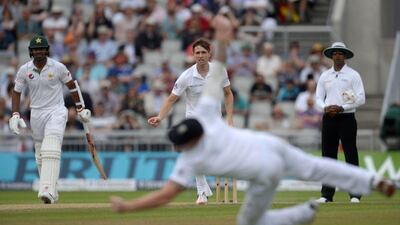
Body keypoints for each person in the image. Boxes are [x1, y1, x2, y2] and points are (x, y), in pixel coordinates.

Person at [111, 16, 396, 225]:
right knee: (318, 166)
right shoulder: (211, 120)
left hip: (263, 172)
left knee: (249, 222)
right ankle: (371, 180)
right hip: (273, 148)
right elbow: (219, 64)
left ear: (186, 143)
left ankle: (302, 214)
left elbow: (163, 196)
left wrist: (128, 208)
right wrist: (222, 37)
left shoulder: (191, 158)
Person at [147, 37, 234, 205]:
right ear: (193, 55)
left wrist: (230, 118)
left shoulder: (219, 70)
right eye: (197, 53)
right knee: (193, 152)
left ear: (210, 54)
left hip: (214, 121)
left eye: (203, 52)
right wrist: (159, 117)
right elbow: (171, 99)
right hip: (193, 121)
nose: (200, 56)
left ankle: (205, 188)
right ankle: (201, 192)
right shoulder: (186, 76)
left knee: (213, 156)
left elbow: (228, 94)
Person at [8, 35, 91, 204]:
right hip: (36, 114)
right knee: (40, 154)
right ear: (31, 51)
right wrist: (15, 114)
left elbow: (72, 86)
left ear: (47, 50)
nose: (39, 51)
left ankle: (46, 190)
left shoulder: (58, 67)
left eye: (42, 48)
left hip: (56, 111)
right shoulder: (25, 69)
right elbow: (16, 91)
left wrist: (80, 108)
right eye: (36, 49)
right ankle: (52, 190)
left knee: (51, 147)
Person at [315, 42, 366, 203]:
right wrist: (325, 108)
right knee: (328, 156)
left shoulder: (353, 75)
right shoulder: (325, 75)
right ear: (331, 56)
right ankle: (327, 195)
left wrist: (342, 108)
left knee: (350, 154)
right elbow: (318, 97)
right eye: (335, 53)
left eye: (341, 53)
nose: (338, 56)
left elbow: (361, 98)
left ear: (345, 56)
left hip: (346, 118)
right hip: (329, 118)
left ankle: (355, 194)